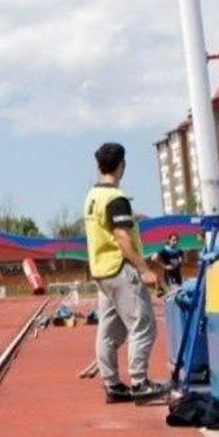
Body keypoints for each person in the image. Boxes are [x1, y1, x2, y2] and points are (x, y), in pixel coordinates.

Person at [83, 142, 169, 403]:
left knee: (108, 333)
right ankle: (140, 383)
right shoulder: (116, 199)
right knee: (143, 325)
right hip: (120, 269)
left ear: (98, 166)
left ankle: (112, 385)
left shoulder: (92, 196)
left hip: (101, 271)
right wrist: (144, 270)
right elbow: (122, 237)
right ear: (122, 166)